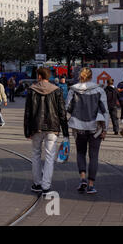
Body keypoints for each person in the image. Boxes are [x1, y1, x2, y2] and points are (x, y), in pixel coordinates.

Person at [24, 67, 69, 195]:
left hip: (36, 127)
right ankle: (46, 186)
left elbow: (27, 112)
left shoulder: (31, 90)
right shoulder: (57, 90)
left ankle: (37, 183)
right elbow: (62, 112)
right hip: (52, 127)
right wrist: (65, 131)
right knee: (50, 157)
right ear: (48, 76)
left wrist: (27, 131)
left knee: (36, 154)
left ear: (39, 76)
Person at [66, 68, 109, 194]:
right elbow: (105, 111)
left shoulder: (73, 90)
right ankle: (91, 185)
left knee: (80, 153)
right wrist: (105, 128)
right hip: (95, 128)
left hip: (79, 127)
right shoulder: (99, 90)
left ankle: (83, 178)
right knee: (94, 156)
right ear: (91, 76)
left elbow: (67, 107)